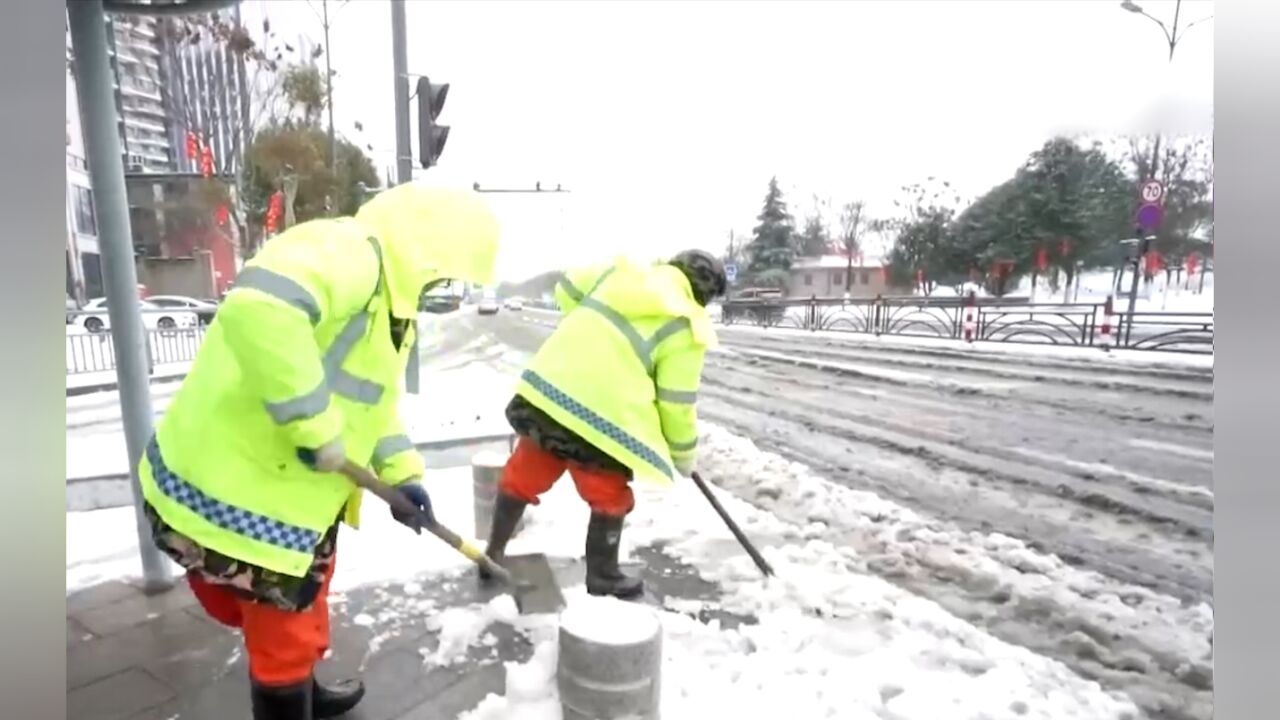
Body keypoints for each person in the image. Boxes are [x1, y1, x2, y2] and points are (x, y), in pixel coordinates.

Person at [136, 184, 500, 720]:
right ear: (425, 251)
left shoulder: (389, 309)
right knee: (281, 630)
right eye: (442, 273)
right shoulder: (350, 253)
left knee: (301, 604)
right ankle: (289, 695)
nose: (441, 286)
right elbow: (259, 309)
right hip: (243, 492)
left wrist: (402, 475)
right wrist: (312, 425)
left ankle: (302, 690)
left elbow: (371, 403)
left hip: (294, 497)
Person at [479, 250, 727, 599]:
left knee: (522, 475)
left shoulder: (619, 274)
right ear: (705, 294)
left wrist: (587, 328)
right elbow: (676, 402)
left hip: (551, 392)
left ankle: (493, 553)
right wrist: (684, 455)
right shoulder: (685, 325)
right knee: (609, 496)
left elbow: (566, 284)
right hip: (602, 421)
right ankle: (603, 574)